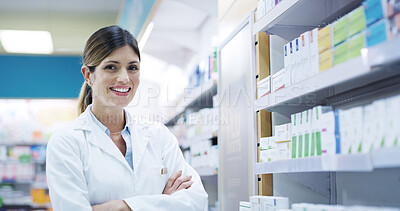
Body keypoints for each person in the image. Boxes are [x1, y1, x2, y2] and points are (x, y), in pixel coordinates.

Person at [46, 25, 208, 211]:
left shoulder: (159, 136)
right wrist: (161, 201)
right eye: (111, 67)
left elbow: (196, 200)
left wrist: (123, 206)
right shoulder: (66, 143)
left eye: (132, 68)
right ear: (88, 75)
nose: (124, 78)